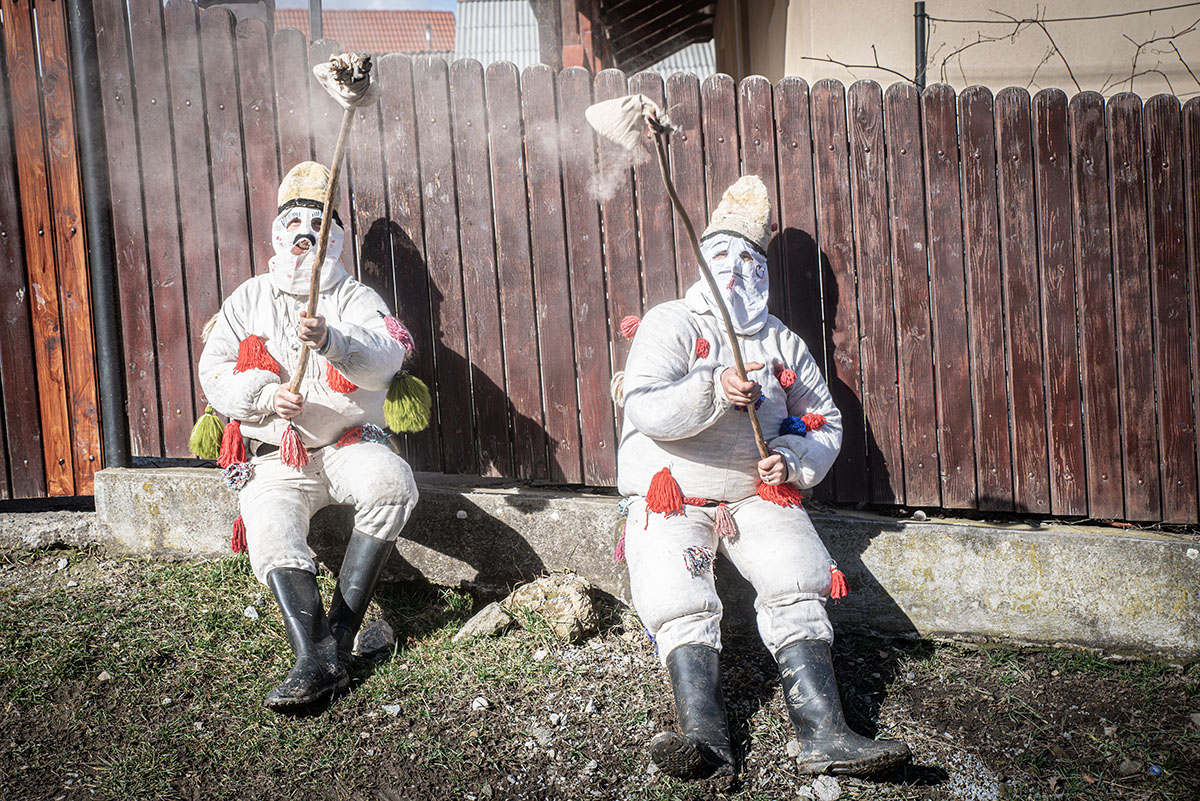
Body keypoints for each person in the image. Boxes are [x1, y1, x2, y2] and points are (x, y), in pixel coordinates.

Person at [616, 175, 911, 778]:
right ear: (702, 261)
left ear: (764, 270)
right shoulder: (671, 323)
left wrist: (791, 460)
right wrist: (712, 387)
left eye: (749, 259)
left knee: (797, 576)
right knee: (677, 594)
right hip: (672, 493)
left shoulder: (782, 342)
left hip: (757, 491)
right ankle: (704, 736)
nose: (735, 271)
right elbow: (643, 405)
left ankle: (823, 733)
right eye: (721, 256)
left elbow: (822, 420)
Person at [198, 162, 419, 710]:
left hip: (348, 443)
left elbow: (390, 357)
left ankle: (333, 644)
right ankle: (316, 655)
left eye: (317, 225)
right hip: (274, 457)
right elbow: (214, 369)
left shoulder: (354, 297)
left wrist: (333, 340)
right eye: (293, 221)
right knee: (270, 532)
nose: (304, 233)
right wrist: (264, 395)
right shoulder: (247, 299)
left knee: (392, 485)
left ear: (335, 239)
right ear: (277, 232)